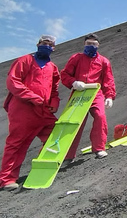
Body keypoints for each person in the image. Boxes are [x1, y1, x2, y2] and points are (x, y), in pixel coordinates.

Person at [1, 35, 60, 191]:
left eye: (50, 44)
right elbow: (13, 82)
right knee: (17, 143)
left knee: (55, 136)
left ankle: (42, 167)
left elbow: (54, 89)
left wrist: (54, 102)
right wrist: (32, 96)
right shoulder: (24, 61)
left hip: (43, 110)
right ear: (38, 44)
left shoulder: (52, 67)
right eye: (44, 43)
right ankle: (7, 179)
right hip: (22, 110)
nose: (47, 46)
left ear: (53, 48)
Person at [61, 33, 116, 162]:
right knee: (75, 123)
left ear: (98, 45)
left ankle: (99, 148)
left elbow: (108, 80)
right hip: (78, 93)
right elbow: (65, 74)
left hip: (95, 93)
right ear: (84, 45)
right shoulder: (76, 58)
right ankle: (68, 155)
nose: (91, 46)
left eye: (93, 44)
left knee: (100, 117)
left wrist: (109, 96)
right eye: (88, 44)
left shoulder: (103, 61)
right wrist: (73, 82)